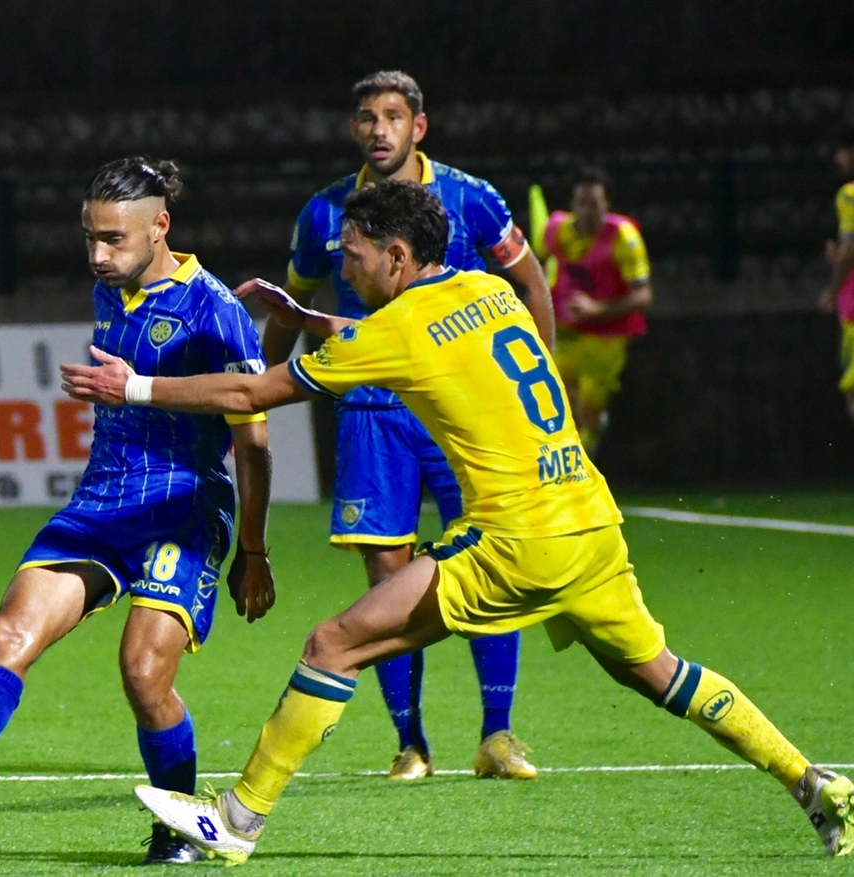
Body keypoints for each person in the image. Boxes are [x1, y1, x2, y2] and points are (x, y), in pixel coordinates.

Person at [63, 179, 853, 863]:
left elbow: (249, 395)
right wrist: (306, 314)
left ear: (399, 257)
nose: (345, 264)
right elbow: (396, 343)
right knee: (661, 672)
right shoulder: (486, 290)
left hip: (516, 538)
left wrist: (132, 388)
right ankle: (812, 780)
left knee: (335, 643)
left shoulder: (400, 328)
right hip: (589, 521)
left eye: (357, 253)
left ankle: (236, 821)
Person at [0, 157, 274, 864]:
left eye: (113, 240)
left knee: (143, 672)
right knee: (7, 634)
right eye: (89, 238)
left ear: (160, 227)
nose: (98, 255)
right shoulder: (112, 290)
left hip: (182, 509)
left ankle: (178, 825)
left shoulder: (215, 309)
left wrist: (254, 552)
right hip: (101, 502)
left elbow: (253, 442)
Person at [265, 70, 553, 781]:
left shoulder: (471, 196)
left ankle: (498, 733)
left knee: (489, 560)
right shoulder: (325, 213)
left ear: (419, 126)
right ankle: (412, 743)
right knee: (387, 570)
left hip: (463, 413)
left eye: (394, 115)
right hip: (373, 413)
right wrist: (256, 403)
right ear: (353, 128)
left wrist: (545, 389)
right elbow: (289, 309)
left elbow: (533, 285)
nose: (379, 129)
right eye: (367, 117)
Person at [544, 166, 654, 455]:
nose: (587, 211)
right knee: (556, 395)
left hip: (607, 336)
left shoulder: (624, 238)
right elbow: (547, 266)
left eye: (594, 203)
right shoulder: (558, 230)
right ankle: (570, 455)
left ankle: (587, 448)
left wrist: (596, 309)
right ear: (572, 205)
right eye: (581, 203)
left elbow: (642, 294)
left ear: (607, 204)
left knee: (590, 405)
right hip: (567, 330)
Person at [817, 135, 854, 423]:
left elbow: (850, 250)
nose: (837, 160)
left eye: (841, 152)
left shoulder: (849, 195)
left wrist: (832, 290)